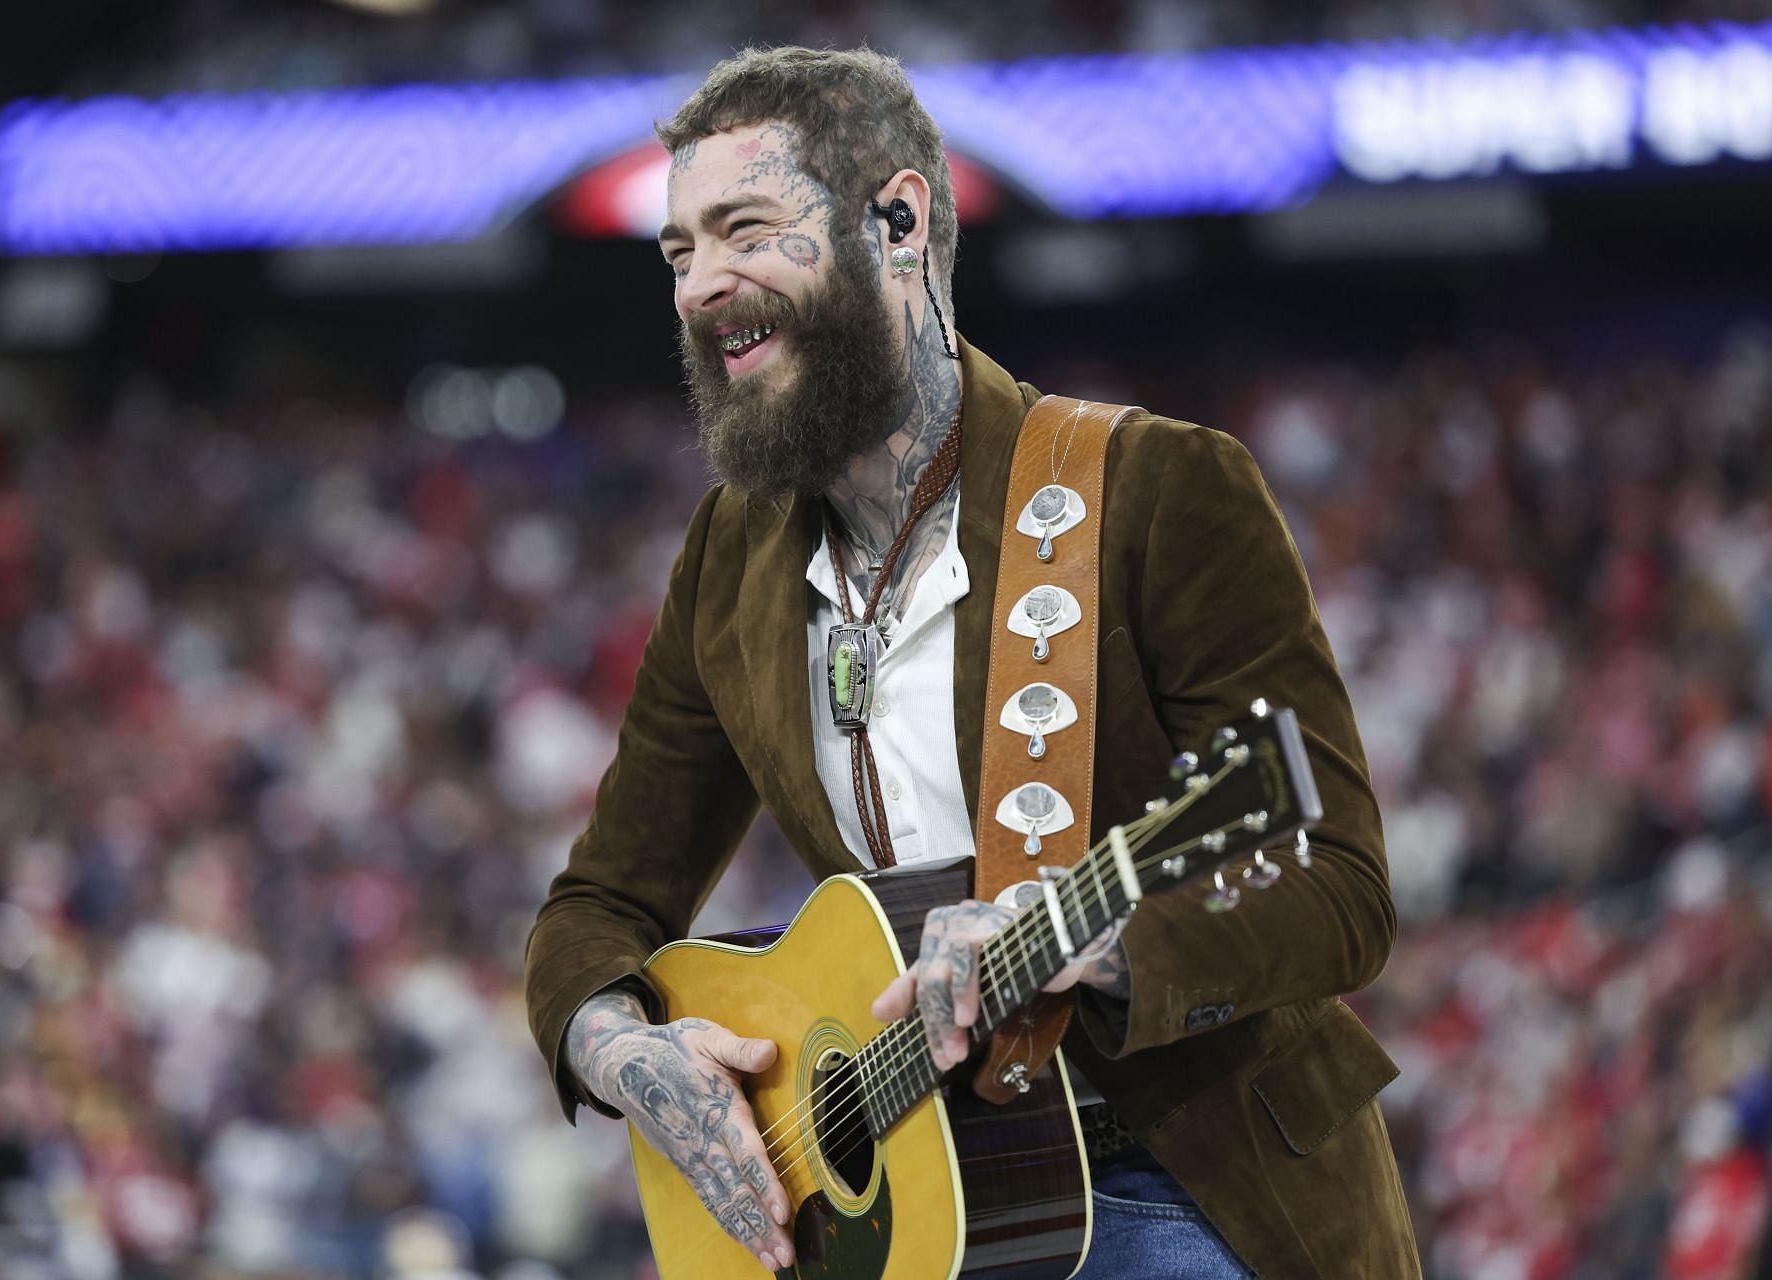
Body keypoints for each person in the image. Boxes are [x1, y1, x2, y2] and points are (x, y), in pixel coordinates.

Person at [525, 46, 1420, 1279]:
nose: (699, 285)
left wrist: (1096, 949)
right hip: (921, 1201)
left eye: (744, 229)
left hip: (1186, 1176)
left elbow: (1342, 887)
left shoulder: (1158, 488)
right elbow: (597, 910)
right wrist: (631, 1056)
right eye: (679, 253)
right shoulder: (729, 558)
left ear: (898, 220)